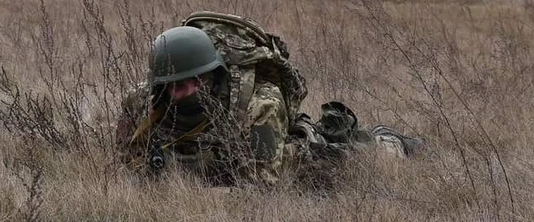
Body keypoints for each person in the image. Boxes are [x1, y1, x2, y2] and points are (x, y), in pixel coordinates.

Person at [114, 11, 424, 187]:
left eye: (188, 84)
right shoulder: (141, 103)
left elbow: (260, 186)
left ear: (210, 77)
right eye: (169, 85)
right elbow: (127, 165)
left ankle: (389, 140)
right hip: (225, 158)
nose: (177, 93)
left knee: (353, 156)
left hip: (290, 159)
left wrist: (187, 177)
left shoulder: (260, 105)